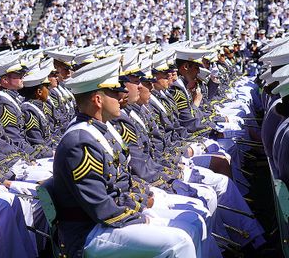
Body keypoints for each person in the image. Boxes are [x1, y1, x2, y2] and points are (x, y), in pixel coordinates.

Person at [54, 54, 205, 258]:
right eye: (115, 93)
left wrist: (144, 200)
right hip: (90, 231)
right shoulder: (80, 141)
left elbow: (122, 181)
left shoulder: (101, 129)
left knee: (193, 223)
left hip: (110, 219)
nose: (122, 95)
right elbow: (100, 207)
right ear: (98, 100)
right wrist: (139, 215)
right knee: (179, 242)